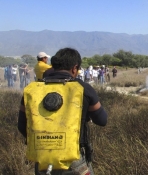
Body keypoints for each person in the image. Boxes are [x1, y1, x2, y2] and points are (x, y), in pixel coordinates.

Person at [17, 47, 108, 175]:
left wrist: (45, 143)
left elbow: (22, 126)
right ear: (74, 68)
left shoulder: (31, 90)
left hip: (42, 160)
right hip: (74, 159)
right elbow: (102, 120)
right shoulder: (83, 88)